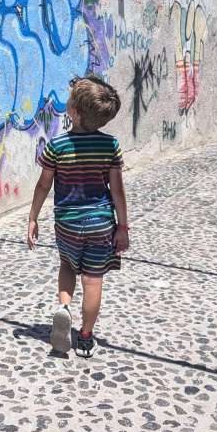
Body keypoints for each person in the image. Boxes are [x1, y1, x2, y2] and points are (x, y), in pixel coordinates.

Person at [27, 76, 128, 358]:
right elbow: (117, 190)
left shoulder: (56, 146)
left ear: (74, 112)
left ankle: (63, 307)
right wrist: (123, 227)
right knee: (93, 281)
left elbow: (43, 185)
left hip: (67, 223)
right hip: (101, 224)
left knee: (67, 266)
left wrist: (33, 217)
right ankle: (85, 337)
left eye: (70, 100)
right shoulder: (111, 146)